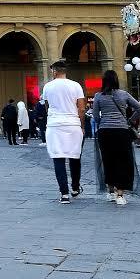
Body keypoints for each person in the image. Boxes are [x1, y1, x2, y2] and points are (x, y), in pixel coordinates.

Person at [92, 70, 140, 206]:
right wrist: (129, 120)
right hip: (121, 131)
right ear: (116, 80)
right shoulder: (123, 94)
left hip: (105, 132)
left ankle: (110, 191)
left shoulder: (98, 96)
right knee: (122, 161)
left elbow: (96, 116)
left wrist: (103, 121)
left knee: (108, 160)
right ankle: (120, 194)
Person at [41, 61, 86, 204]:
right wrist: (82, 126)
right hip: (73, 124)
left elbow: (47, 107)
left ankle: (64, 194)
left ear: (54, 71)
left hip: (55, 125)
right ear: (65, 71)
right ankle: (75, 187)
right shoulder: (76, 85)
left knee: (58, 158)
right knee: (75, 157)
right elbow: (82, 109)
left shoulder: (47, 86)